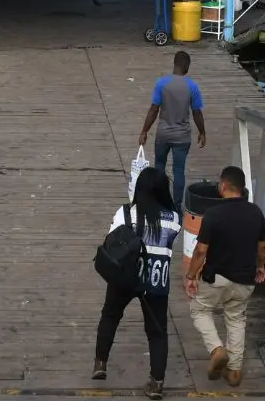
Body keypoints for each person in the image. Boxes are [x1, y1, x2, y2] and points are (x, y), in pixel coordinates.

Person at [93, 166, 180, 399]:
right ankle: (157, 382)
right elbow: (170, 240)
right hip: (156, 279)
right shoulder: (174, 219)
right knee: (157, 331)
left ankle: (100, 363)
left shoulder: (125, 213)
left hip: (126, 275)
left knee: (110, 315)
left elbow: (111, 239)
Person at [184, 165, 265, 387]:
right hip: (245, 279)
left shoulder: (213, 214)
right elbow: (261, 246)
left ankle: (216, 349)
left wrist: (191, 276)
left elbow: (201, 251)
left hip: (217, 278)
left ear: (222, 186)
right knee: (236, 318)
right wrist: (260, 266)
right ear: (242, 189)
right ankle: (234, 371)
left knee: (199, 309)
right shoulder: (256, 212)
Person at [138, 51, 206, 210]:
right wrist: (202, 132)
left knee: (159, 167)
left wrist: (144, 131)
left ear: (174, 63)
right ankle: (176, 206)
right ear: (187, 66)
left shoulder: (161, 83)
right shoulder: (192, 87)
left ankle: (159, 201)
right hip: (182, 137)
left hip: (163, 134)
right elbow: (197, 112)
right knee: (179, 170)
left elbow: (154, 109)